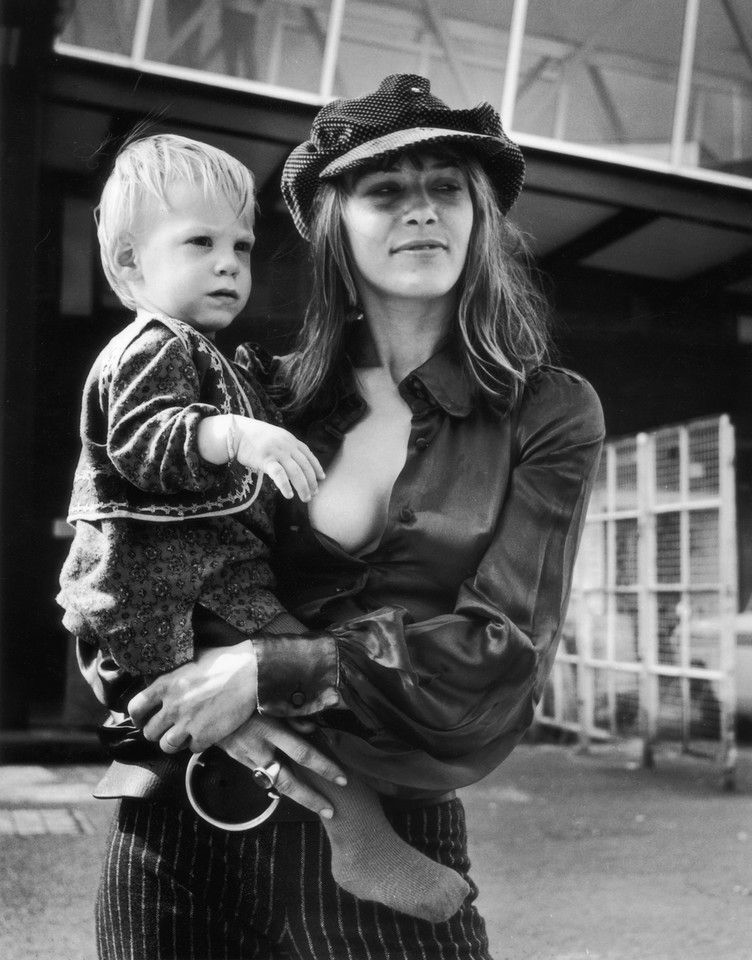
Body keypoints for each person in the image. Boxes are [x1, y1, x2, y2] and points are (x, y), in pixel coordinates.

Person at [86, 75, 606, 959]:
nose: (422, 211)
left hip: (387, 840)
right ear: (336, 222)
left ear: (478, 215)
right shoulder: (253, 393)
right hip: (178, 817)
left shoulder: (546, 412)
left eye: (447, 187)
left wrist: (261, 669)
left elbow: (501, 659)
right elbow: (116, 545)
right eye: (386, 191)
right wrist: (188, 681)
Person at [58, 131, 469, 935]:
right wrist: (236, 436)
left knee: (289, 688)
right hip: (176, 584)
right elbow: (146, 439)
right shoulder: (148, 350)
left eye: (241, 246)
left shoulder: (203, 353)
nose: (229, 264)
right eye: (201, 243)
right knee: (306, 691)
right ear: (131, 265)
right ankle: (365, 844)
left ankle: (353, 835)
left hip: (197, 580)